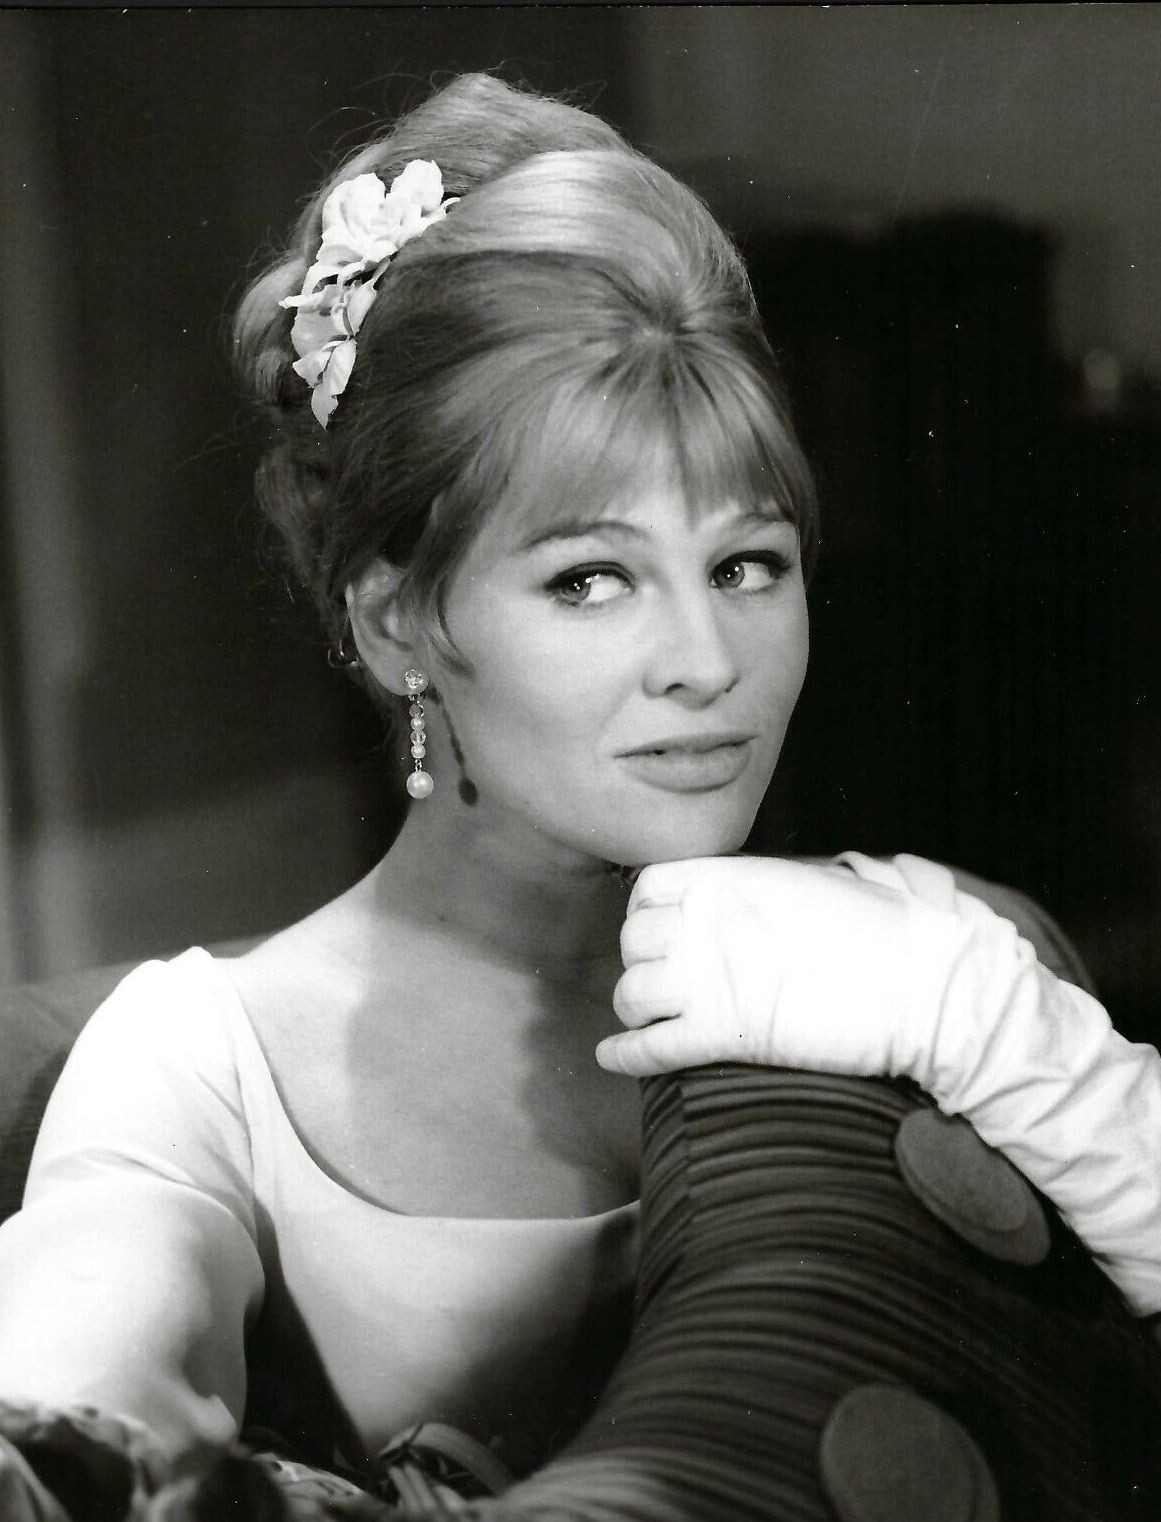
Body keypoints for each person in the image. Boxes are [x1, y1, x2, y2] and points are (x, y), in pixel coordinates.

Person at [0, 72, 1159, 1520]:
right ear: (397, 623)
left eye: (746, 564)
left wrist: (1001, 1027)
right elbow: (86, 1367)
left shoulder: (921, 950)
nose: (705, 662)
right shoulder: (205, 1064)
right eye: (591, 579)